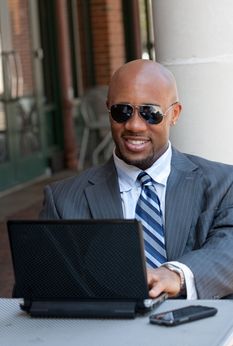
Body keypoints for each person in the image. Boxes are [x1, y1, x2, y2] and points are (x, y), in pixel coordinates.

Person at [40, 59, 233, 300]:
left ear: (174, 114)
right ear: (108, 109)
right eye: (122, 111)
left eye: (150, 113)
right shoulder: (62, 200)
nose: (134, 125)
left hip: (200, 330)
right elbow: (44, 284)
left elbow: (229, 248)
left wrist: (176, 275)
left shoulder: (224, 183)